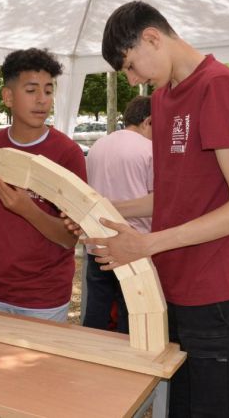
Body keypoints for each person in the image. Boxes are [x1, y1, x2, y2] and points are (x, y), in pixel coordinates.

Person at [91, 2, 229, 416]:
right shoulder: (165, 98)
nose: (134, 80)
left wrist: (147, 243)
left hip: (215, 287)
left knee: (211, 407)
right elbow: (172, 197)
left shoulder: (218, 87)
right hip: (173, 281)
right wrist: (101, 208)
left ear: (152, 37)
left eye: (132, 66)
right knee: (177, 404)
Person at [0, 48, 87, 322]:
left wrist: (28, 209)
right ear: (8, 96)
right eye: (31, 90)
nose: (42, 100)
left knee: (43, 366)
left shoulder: (67, 153)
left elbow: (69, 237)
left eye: (48, 91)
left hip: (44, 295)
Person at [83, 96, 153, 333]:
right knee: (131, 314)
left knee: (97, 309)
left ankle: (88, 359)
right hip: (133, 244)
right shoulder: (150, 149)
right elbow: (157, 202)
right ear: (148, 121)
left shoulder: (98, 145)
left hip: (97, 241)